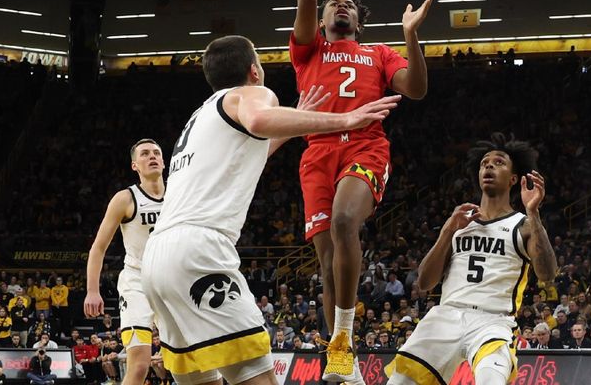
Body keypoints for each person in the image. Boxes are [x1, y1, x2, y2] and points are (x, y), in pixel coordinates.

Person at [141, 35, 399, 385]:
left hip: (156, 260)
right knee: (256, 377)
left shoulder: (201, 116)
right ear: (254, 70)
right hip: (198, 252)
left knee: (202, 381)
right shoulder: (251, 94)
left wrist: (296, 124)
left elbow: (247, 158)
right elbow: (261, 121)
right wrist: (346, 120)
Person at [290, 0, 435, 382]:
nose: (341, 6)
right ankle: (340, 360)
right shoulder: (308, 49)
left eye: (349, 4)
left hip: (364, 145)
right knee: (328, 265)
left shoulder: (377, 52)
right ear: (327, 18)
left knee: (345, 221)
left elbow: (415, 90)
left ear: (360, 21)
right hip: (317, 154)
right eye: (336, 3)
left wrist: (411, 36)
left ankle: (345, 337)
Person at [387, 134, 557, 385]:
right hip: (446, 315)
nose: (488, 166)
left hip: (493, 321)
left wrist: (533, 212)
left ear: (513, 179)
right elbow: (424, 282)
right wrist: (447, 231)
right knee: (400, 382)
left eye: (498, 162)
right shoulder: (459, 223)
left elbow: (547, 273)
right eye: (484, 163)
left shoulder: (523, 225)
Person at [84, 138, 166, 385]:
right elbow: (98, 248)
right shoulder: (126, 198)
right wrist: (92, 291)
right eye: (144, 154)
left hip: (172, 281)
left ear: (163, 161)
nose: (151, 156)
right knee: (139, 365)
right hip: (137, 282)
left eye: (156, 153)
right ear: (134, 165)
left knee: (186, 360)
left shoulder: (180, 192)